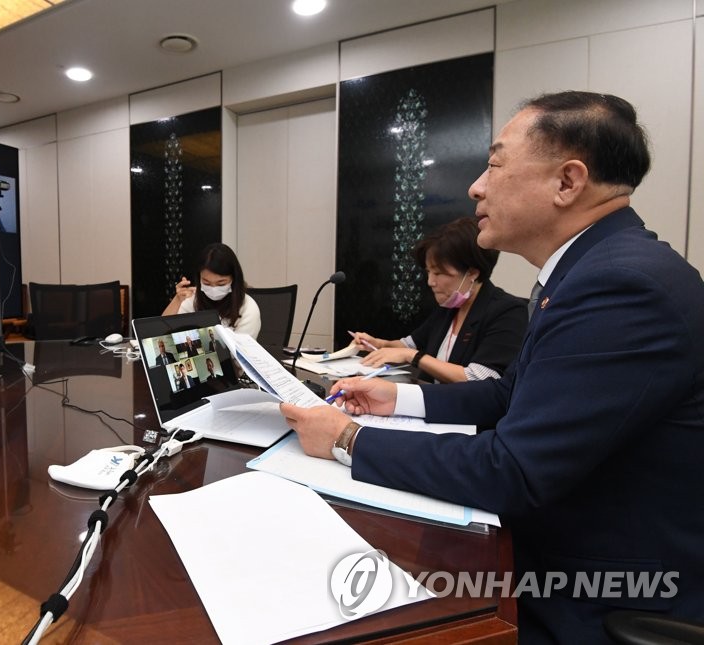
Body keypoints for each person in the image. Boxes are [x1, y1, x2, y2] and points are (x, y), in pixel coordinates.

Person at [279, 91, 704, 642]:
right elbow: (512, 397)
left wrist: (349, 439)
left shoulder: (621, 286)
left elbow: (515, 470)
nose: (477, 185)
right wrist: (398, 399)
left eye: (496, 163)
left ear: (567, 182)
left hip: (599, 590)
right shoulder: (596, 268)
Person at [351, 217, 526, 382]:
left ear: (472, 272)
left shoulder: (508, 311)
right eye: (428, 272)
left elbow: (480, 377)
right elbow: (409, 345)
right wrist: (378, 344)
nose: (431, 282)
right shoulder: (449, 308)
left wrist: (414, 357)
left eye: (439, 273)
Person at [163, 243, 261, 338]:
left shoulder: (248, 307)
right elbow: (161, 332)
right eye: (206, 283)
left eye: (221, 283)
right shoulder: (192, 299)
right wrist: (177, 300)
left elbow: (240, 351)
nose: (213, 289)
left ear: (234, 279)